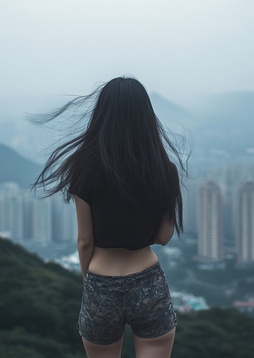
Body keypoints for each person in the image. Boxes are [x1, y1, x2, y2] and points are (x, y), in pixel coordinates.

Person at [33, 77, 186, 358]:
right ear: (146, 118)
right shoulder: (165, 170)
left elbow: (84, 241)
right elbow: (163, 238)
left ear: (102, 116)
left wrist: (91, 285)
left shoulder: (84, 169)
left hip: (101, 282)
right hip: (148, 283)